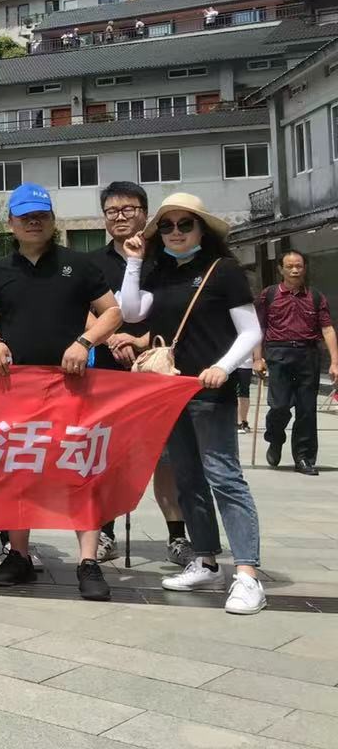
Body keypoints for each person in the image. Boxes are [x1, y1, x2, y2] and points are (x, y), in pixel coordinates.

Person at [0, 182, 122, 601]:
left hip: (72, 386)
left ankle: (88, 562)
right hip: (16, 388)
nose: (34, 222)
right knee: (18, 471)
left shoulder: (79, 265)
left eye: (41, 216)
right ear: (11, 223)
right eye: (25, 217)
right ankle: (18, 555)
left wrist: (84, 342)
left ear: (54, 221)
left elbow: (112, 312)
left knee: (79, 471)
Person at [118, 193, 266, 614]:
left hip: (210, 391)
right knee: (187, 478)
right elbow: (131, 312)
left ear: (202, 229)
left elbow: (251, 332)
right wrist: (133, 261)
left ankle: (248, 574)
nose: (176, 232)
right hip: (171, 391)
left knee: (224, 477)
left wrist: (222, 367)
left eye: (185, 224)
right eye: (167, 226)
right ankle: (205, 561)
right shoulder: (160, 271)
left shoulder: (223, 271)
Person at [90, 181, 193, 566]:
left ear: (144, 214)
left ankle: (177, 536)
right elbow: (82, 309)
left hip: (157, 371)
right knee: (108, 454)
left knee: (165, 456)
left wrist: (137, 339)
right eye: (112, 211)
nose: (120, 217)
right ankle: (104, 532)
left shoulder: (164, 259)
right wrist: (110, 338)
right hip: (107, 373)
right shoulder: (93, 263)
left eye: (128, 209)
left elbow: (176, 314)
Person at [256, 249, 336, 476]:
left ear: (305, 268)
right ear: (280, 269)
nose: (294, 270)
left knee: (306, 410)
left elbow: (327, 329)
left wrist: (335, 362)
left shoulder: (316, 296)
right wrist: (257, 358)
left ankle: (303, 458)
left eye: (299, 266)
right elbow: (258, 328)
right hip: (278, 354)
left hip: (307, 355)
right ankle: (275, 438)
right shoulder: (269, 295)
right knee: (279, 406)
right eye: (290, 266)